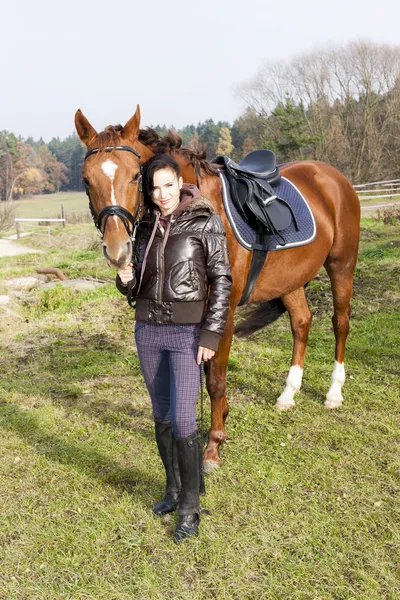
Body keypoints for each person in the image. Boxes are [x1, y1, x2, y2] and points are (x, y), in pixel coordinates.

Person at [116, 154, 232, 543]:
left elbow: (222, 280)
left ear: (179, 183)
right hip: (147, 331)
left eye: (168, 185)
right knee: (162, 415)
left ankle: (190, 506)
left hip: (186, 334)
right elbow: (135, 289)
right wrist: (125, 277)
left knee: (184, 420)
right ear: (148, 191)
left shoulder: (205, 219)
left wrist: (211, 335)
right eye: (155, 187)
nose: (162, 194)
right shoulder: (144, 224)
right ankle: (172, 489)